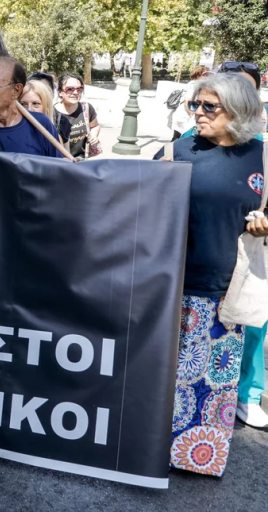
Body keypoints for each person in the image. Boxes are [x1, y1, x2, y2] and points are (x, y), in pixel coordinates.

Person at [151, 72, 266, 475]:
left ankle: (194, 458)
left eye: (209, 106)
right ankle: (145, 453)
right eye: (194, 104)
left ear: (237, 111)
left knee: (213, 383)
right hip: (170, 285)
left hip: (225, 293)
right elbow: (137, 199)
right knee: (160, 376)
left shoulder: (262, 158)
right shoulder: (178, 151)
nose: (198, 112)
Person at [55, 73, 100, 160]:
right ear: (60, 92)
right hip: (61, 162)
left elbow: (95, 126)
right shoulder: (52, 113)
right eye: (70, 89)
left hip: (81, 161)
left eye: (79, 89)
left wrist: (93, 135)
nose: (76, 93)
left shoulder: (86, 108)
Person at [21, 79, 71, 152]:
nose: (29, 109)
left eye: (35, 104)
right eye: (23, 104)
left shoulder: (54, 138)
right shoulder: (11, 133)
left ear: (46, 107)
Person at [169, 66, 208, 141]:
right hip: (184, 115)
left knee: (178, 138)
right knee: (180, 138)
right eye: (204, 75)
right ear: (198, 75)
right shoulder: (195, 85)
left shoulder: (192, 84)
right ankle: (170, 149)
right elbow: (187, 100)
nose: (206, 77)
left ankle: (171, 148)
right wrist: (191, 114)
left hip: (182, 113)